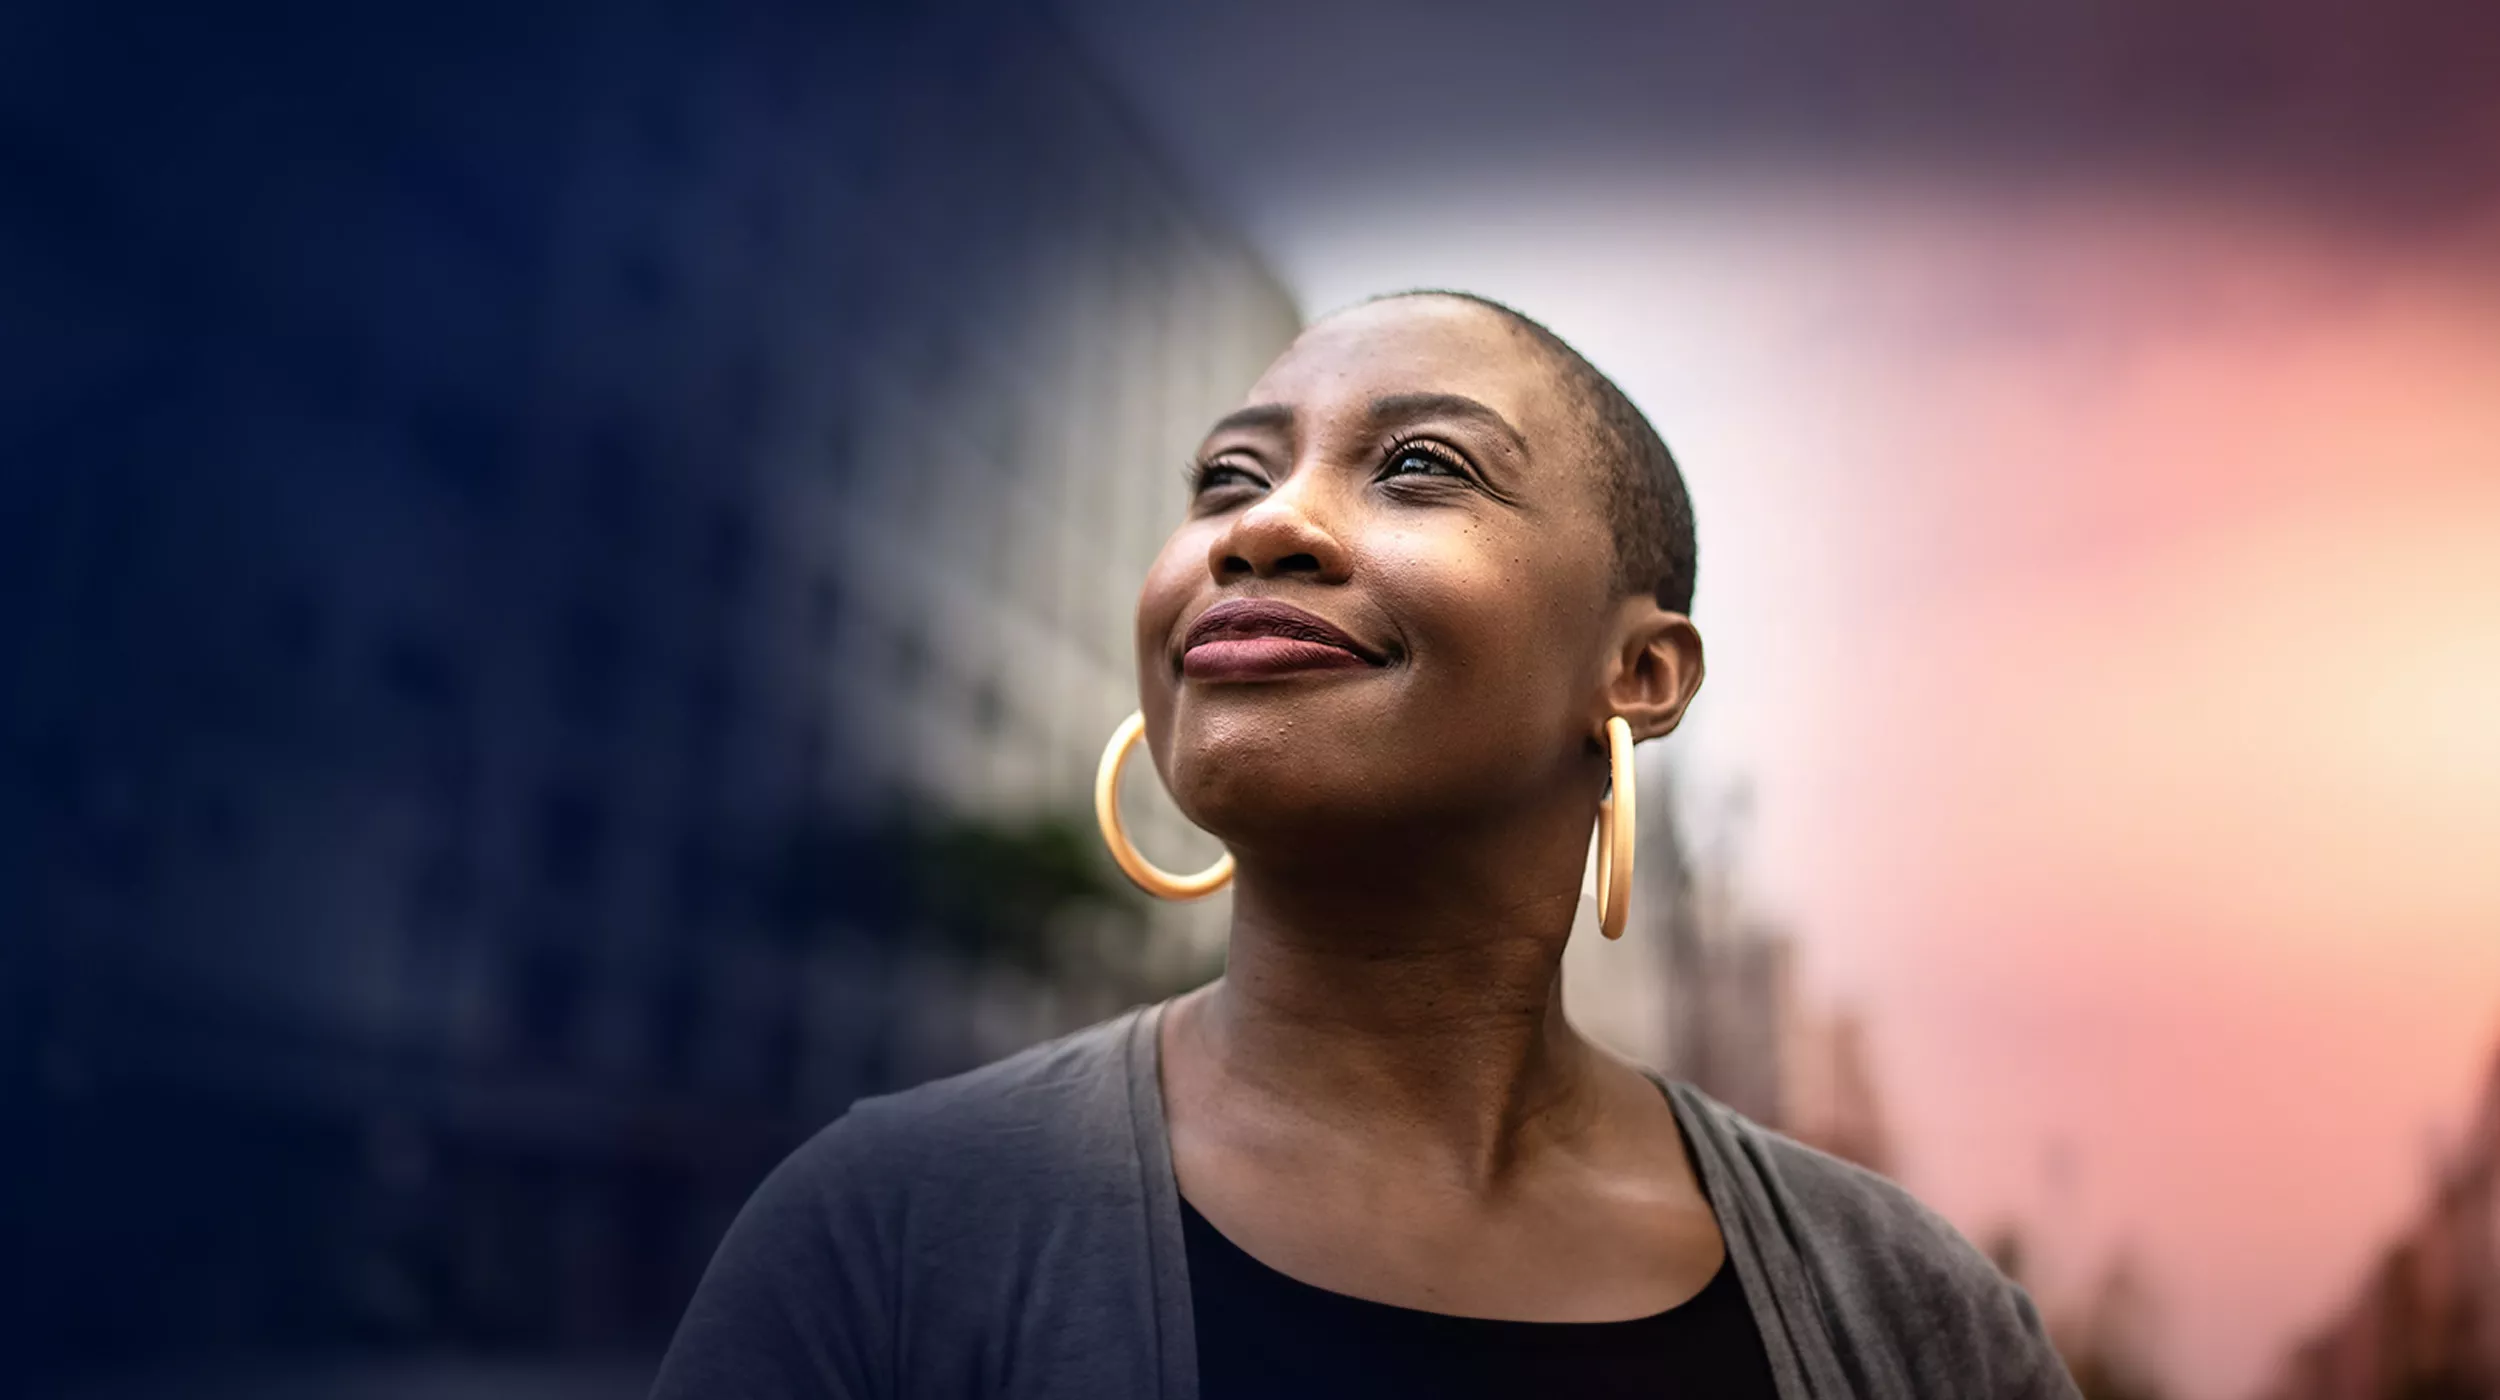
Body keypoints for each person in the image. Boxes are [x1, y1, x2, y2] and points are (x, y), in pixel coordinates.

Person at [650, 292, 2080, 1399]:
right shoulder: (890, 1232)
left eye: (1417, 466)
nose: (1262, 524)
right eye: (1223, 479)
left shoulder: (1914, 1316)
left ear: (1639, 675)